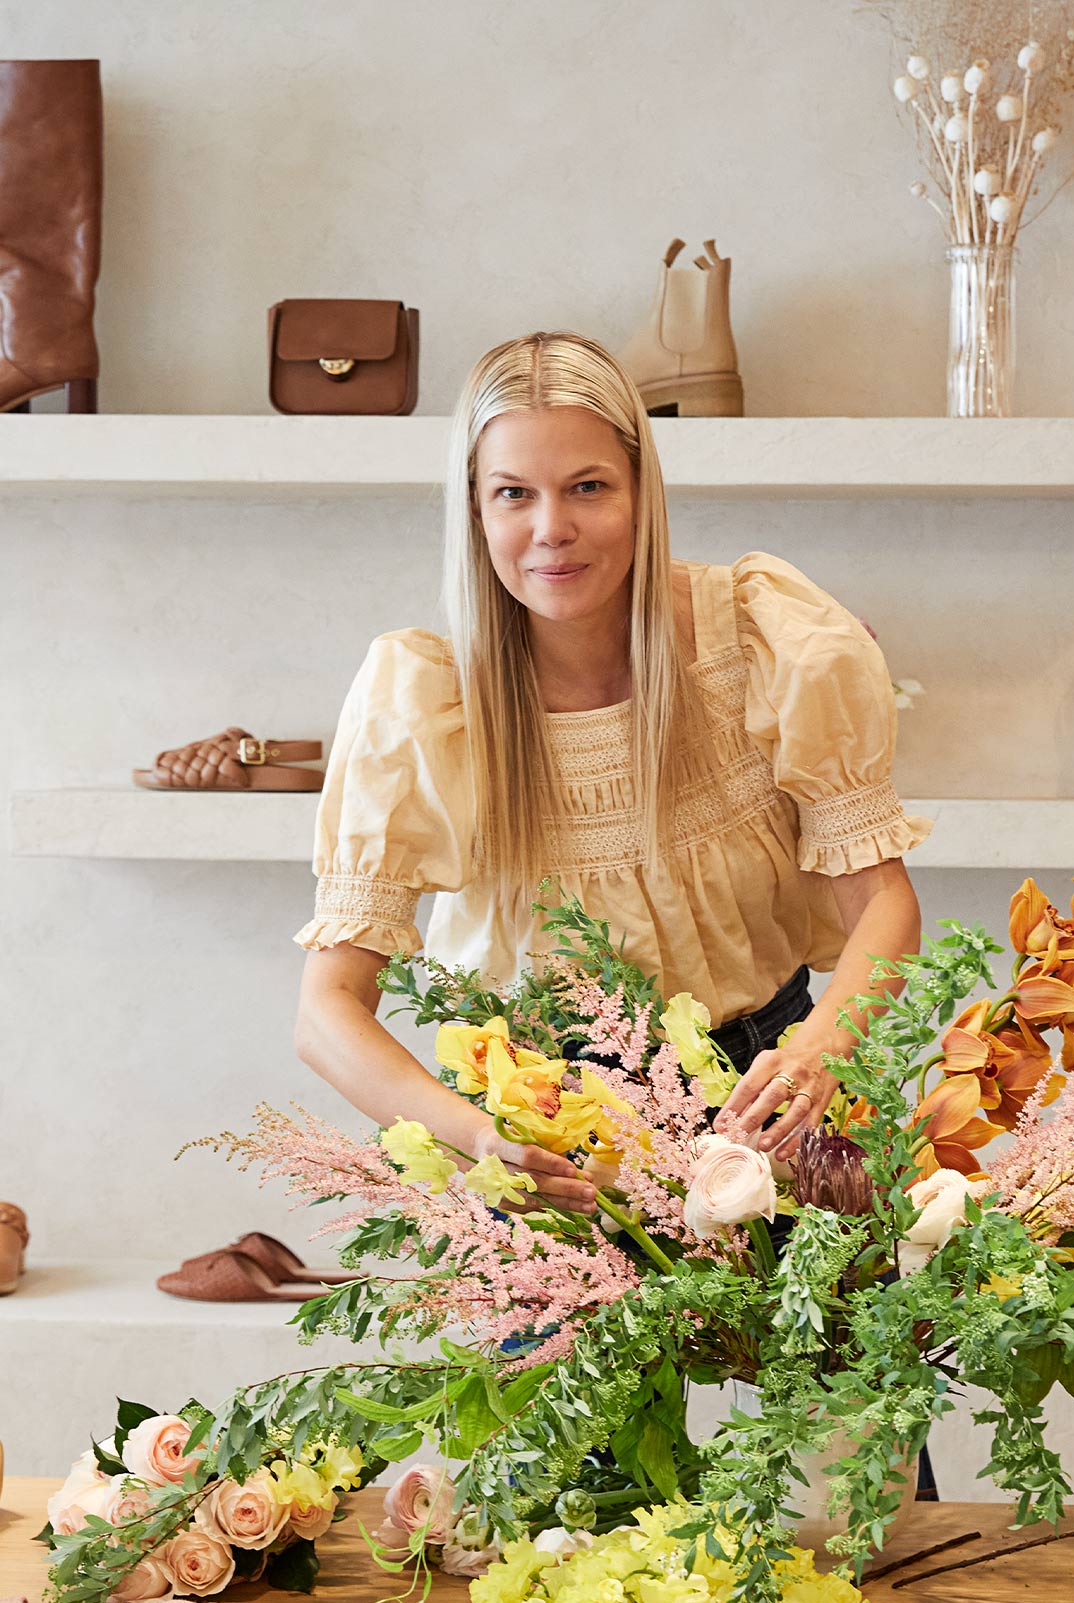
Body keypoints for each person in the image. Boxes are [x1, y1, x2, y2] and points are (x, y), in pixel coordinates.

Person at [292, 330, 930, 1215]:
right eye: (514, 493)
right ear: (475, 511)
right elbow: (326, 1011)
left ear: (641, 492)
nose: (551, 527)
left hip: (772, 1102)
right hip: (547, 1139)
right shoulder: (431, 704)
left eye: (587, 486)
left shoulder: (758, 638)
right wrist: (476, 1137)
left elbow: (885, 902)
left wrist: (827, 1040)